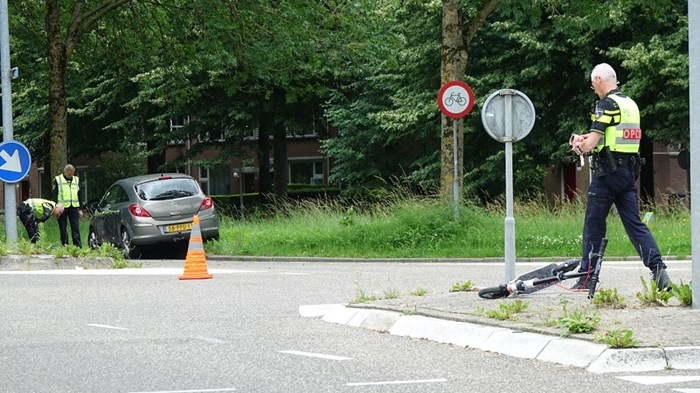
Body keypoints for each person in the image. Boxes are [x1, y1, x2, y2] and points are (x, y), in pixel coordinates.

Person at [569, 63, 671, 291]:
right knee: (635, 224)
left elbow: (592, 144)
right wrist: (592, 138)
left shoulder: (606, 105)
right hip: (627, 174)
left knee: (594, 225)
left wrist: (579, 145)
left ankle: (587, 277)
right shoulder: (630, 105)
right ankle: (659, 270)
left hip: (606, 174)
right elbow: (616, 135)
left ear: (598, 79)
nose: (593, 89)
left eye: (593, 84)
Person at [52, 164, 84, 247]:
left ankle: (77, 246)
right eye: (68, 174)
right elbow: (54, 194)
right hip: (62, 208)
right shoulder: (58, 179)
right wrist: (55, 207)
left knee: (75, 227)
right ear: (64, 172)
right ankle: (65, 245)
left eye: (71, 174)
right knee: (63, 228)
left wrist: (81, 209)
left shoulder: (76, 180)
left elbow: (79, 194)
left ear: (73, 172)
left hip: (73, 207)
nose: (70, 175)